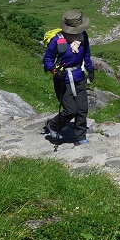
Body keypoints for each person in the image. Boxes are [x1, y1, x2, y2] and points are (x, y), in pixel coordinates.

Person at [42, 9, 95, 146]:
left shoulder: (83, 36)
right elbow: (47, 59)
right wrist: (55, 70)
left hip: (78, 75)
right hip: (63, 79)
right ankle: (53, 125)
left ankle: (79, 136)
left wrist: (90, 69)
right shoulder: (57, 40)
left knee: (82, 108)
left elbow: (86, 54)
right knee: (71, 110)